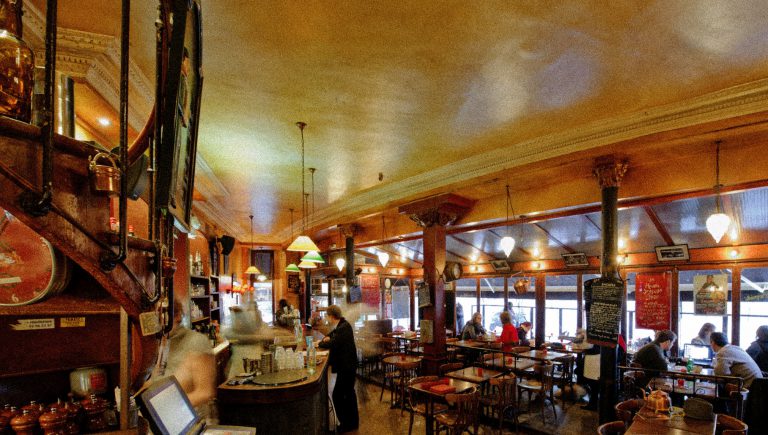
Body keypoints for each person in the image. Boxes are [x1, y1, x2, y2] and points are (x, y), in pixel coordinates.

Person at [151, 295, 216, 409]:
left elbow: (204, 393)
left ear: (177, 316)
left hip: (192, 417)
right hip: (166, 417)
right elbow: (156, 380)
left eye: (162, 319)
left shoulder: (196, 342)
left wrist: (166, 407)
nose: (158, 326)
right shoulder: (164, 344)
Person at [318, 305, 359, 433]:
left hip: (347, 366)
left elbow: (332, 342)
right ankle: (350, 423)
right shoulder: (342, 325)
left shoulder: (343, 327)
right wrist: (327, 337)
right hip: (346, 365)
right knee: (346, 393)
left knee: (341, 394)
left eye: (327, 316)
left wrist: (320, 343)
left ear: (331, 316)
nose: (326, 318)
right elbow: (332, 335)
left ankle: (348, 424)